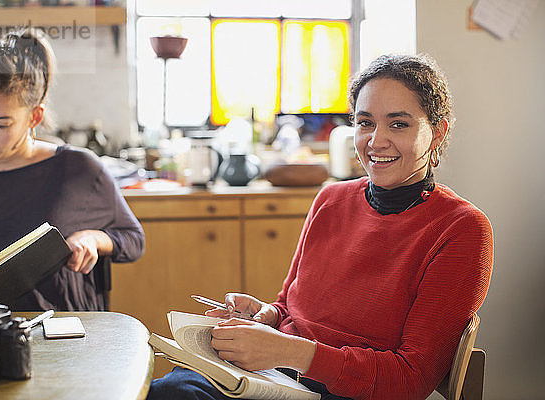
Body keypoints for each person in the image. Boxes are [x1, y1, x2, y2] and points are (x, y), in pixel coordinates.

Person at [147, 54, 494, 400]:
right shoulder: (331, 199)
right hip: (279, 376)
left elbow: (410, 380)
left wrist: (287, 351)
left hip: (345, 392)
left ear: (437, 133)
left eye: (399, 124)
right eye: (365, 122)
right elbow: (289, 305)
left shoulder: (462, 229)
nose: (375, 141)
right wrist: (266, 314)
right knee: (171, 388)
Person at [0, 29, 144, 311]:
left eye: (1, 124)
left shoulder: (77, 170)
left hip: (66, 340)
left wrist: (93, 239)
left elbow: (133, 239)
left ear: (34, 116)